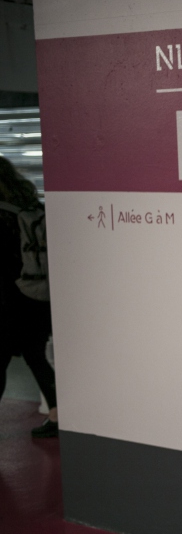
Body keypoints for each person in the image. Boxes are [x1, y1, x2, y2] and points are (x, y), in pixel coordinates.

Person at [0, 156, 57, 438]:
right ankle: (58, 417)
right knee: (36, 355)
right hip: (39, 295)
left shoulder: (2, 214)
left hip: (10, 299)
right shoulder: (30, 206)